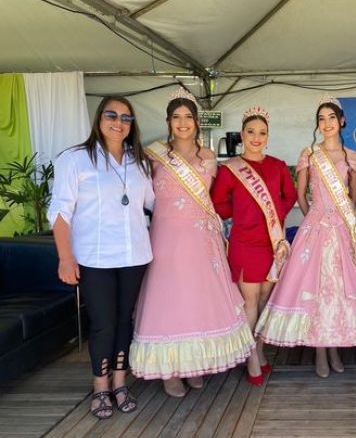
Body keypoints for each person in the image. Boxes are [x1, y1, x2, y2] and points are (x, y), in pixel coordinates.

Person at [255, 96, 356, 378]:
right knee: (317, 288)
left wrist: (349, 218)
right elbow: (300, 192)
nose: (327, 123)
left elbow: (354, 195)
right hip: (316, 226)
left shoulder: (351, 156)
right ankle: (320, 349)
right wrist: (313, 216)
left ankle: (335, 347)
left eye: (331, 117)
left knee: (343, 289)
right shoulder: (309, 153)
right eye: (321, 119)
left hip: (344, 226)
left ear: (341, 121)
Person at [129, 90, 255, 397]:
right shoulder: (152, 155)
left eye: (188, 117)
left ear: (197, 122)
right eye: (176, 117)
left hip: (201, 236)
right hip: (167, 237)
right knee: (171, 299)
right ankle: (170, 371)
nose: (182, 123)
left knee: (198, 298)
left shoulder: (209, 157)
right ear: (168, 122)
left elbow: (218, 198)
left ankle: (195, 363)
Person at [48, 96, 154, 419]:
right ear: (99, 118)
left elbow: (151, 205)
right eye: (111, 114)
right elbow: (60, 213)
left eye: (126, 117)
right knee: (103, 324)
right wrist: (65, 258)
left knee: (125, 321)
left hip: (134, 255)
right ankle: (100, 387)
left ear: (132, 125)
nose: (118, 122)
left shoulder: (141, 162)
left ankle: (120, 383)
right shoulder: (75, 159)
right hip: (95, 259)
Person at [211, 107, 297, 385]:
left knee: (264, 300)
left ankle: (258, 349)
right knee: (249, 301)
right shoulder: (230, 169)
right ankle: (250, 358)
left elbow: (290, 195)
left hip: (272, 243)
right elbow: (219, 203)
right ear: (242, 135)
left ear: (268, 137)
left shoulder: (278, 166)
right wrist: (241, 213)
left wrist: (276, 216)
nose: (256, 138)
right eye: (251, 132)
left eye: (262, 133)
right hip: (244, 243)